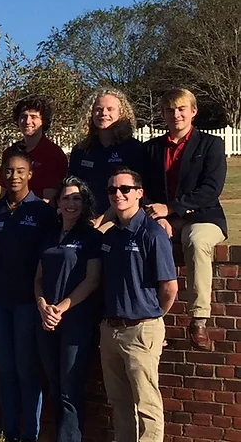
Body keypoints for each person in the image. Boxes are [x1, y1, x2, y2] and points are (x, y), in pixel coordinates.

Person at [139, 88, 227, 351]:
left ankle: (199, 320)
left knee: (196, 241)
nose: (175, 114)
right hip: (162, 218)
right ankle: (148, 318)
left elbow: (210, 190)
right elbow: (142, 189)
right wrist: (156, 216)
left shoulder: (211, 145)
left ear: (193, 111)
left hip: (204, 217)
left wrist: (171, 209)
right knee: (142, 241)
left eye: (181, 109)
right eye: (170, 110)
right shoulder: (151, 149)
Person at [99, 169, 176, 442]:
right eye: (112, 190)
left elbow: (169, 288)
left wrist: (153, 320)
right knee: (119, 402)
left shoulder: (152, 233)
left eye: (125, 189)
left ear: (139, 193)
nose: (118, 194)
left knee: (146, 404)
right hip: (110, 330)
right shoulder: (110, 236)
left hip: (141, 330)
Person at [0, 152, 57, 442]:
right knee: (5, 371)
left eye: (19, 171)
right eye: (9, 171)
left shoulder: (42, 212)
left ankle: (31, 435)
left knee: (27, 371)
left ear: (30, 175)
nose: (14, 176)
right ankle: (10, 433)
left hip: (28, 302)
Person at [33, 176, 103, 442]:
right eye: (66, 198)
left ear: (84, 203)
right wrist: (42, 305)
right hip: (46, 321)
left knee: (69, 389)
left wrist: (60, 308)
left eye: (77, 198)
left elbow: (92, 280)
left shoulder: (91, 237)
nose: (71, 203)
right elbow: (38, 278)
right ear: (58, 203)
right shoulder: (49, 236)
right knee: (55, 386)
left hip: (76, 322)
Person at [68, 87, 146, 215]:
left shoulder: (134, 149)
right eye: (98, 109)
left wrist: (104, 220)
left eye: (110, 109)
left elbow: (138, 193)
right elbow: (72, 188)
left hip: (122, 218)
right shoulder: (80, 150)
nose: (103, 113)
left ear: (121, 113)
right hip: (86, 218)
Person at [0, 98, 69, 200]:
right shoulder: (10, 153)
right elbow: (4, 193)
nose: (27, 121)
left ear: (43, 120)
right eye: (23, 116)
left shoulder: (53, 154)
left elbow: (49, 200)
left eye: (33, 117)